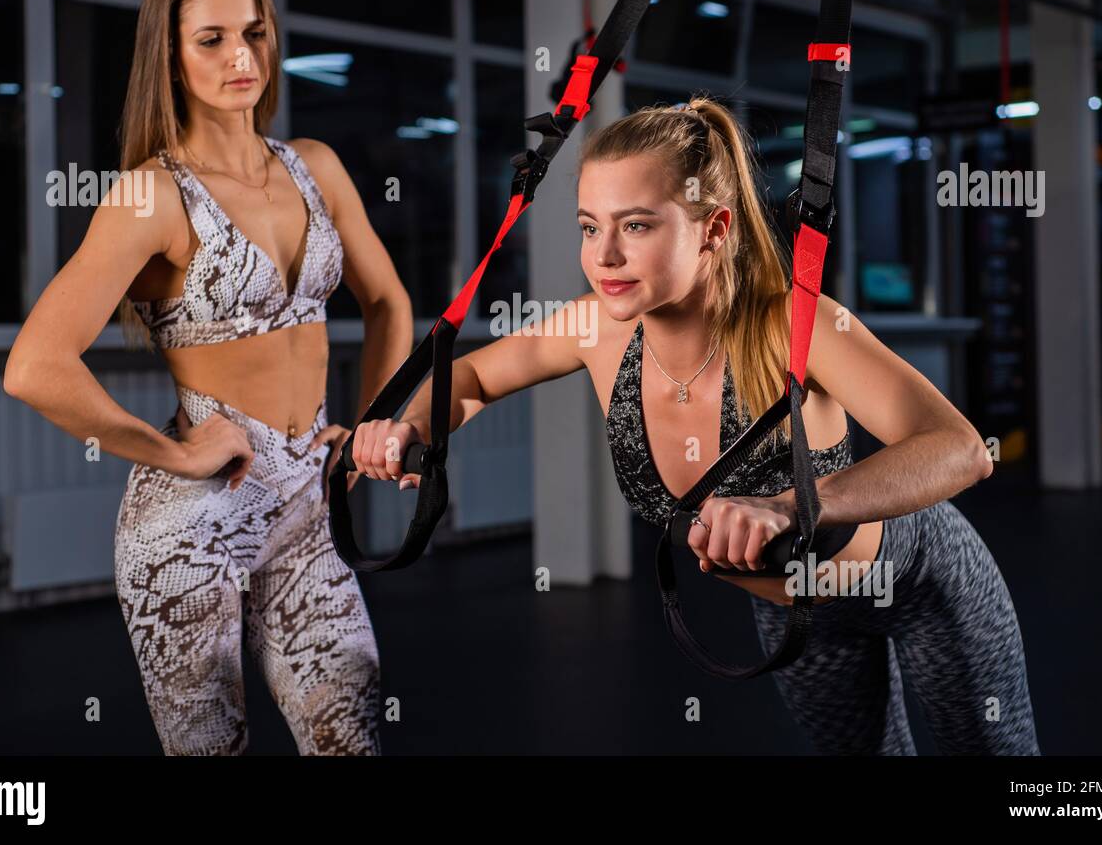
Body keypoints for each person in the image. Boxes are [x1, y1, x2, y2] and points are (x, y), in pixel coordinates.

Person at [347, 95, 1041, 755]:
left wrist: (792, 504)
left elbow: (961, 449)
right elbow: (467, 378)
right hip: (798, 613)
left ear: (714, 228)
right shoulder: (593, 330)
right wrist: (407, 425)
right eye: (590, 226)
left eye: (637, 224)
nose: (604, 255)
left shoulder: (792, 324)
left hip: (922, 579)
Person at [4, 0, 412, 755]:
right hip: (196, 519)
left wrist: (369, 426)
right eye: (212, 39)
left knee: (355, 731)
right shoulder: (151, 196)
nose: (242, 57)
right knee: (210, 750)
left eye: (255, 33)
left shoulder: (315, 168)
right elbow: (33, 366)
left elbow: (390, 301)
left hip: (307, 499)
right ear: (169, 54)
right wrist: (173, 453)